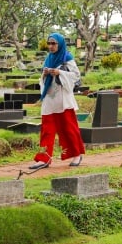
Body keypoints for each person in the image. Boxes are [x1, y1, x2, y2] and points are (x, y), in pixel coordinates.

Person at [29, 33, 85, 169]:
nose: (51, 46)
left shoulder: (67, 57)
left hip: (63, 100)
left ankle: (77, 154)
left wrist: (60, 73)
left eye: (54, 44)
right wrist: (45, 73)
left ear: (59, 44)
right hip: (49, 98)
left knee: (69, 129)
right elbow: (42, 78)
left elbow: (76, 76)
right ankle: (44, 158)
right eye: (49, 43)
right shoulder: (49, 58)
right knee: (46, 130)